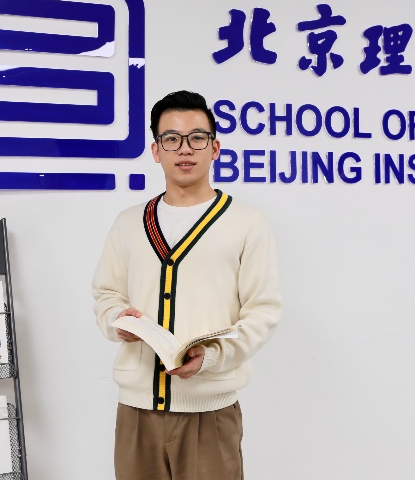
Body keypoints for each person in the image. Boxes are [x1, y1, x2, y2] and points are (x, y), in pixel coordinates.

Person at [92, 90, 282, 480]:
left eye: (197, 137)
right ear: (156, 150)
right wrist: (117, 320)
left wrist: (211, 356)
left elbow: (263, 311)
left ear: (215, 148)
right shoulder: (128, 223)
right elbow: (107, 293)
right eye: (171, 139)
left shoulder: (248, 223)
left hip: (209, 411)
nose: (185, 149)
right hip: (136, 411)